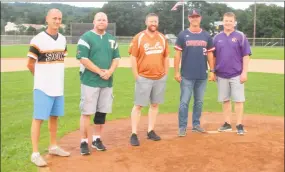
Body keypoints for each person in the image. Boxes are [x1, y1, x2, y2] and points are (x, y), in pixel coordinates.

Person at [26, 8, 70, 167]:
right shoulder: (38, 39)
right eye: (54, 18)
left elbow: (61, 59)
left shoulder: (63, 39)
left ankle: (53, 146)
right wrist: (41, 78)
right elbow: (30, 64)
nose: (57, 21)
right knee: (38, 119)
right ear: (47, 19)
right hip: (43, 87)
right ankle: (35, 153)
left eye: (59, 18)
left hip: (58, 86)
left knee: (54, 117)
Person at [76, 12, 120, 155]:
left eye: (104, 19)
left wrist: (110, 72)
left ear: (107, 22)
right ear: (94, 21)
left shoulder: (111, 39)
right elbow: (83, 58)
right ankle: (83, 141)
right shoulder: (86, 38)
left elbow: (116, 58)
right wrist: (100, 72)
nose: (102, 21)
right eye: (99, 19)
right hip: (90, 81)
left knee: (101, 113)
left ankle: (96, 139)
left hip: (107, 82)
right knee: (87, 112)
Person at [128, 13, 169, 146]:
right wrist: (136, 75)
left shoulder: (162, 38)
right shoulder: (139, 38)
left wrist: (166, 73)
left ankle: (150, 130)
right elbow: (133, 57)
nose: (153, 23)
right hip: (143, 77)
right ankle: (134, 133)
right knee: (139, 105)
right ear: (146, 22)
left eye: (155, 21)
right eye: (151, 21)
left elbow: (166, 57)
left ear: (158, 23)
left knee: (155, 105)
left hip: (159, 77)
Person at [174, 9, 215, 137]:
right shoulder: (182, 35)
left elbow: (210, 54)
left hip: (202, 75)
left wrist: (212, 71)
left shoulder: (206, 36)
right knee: (184, 102)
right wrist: (176, 72)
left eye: (197, 16)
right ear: (189, 19)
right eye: (192, 17)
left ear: (200, 18)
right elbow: (177, 55)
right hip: (186, 75)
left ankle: (196, 124)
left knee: (199, 102)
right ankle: (182, 127)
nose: (195, 19)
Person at [213, 12, 251, 135]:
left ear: (234, 22)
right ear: (222, 22)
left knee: (239, 100)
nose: (228, 23)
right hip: (221, 74)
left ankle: (239, 124)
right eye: (226, 20)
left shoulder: (241, 36)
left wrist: (244, 72)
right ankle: (227, 123)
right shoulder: (217, 38)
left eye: (230, 21)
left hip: (237, 74)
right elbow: (213, 57)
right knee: (225, 100)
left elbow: (246, 55)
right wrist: (213, 71)